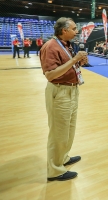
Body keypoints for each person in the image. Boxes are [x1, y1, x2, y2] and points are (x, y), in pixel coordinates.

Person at [39, 17, 88, 182]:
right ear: (64, 30)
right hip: (59, 91)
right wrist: (74, 60)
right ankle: (54, 171)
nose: (77, 31)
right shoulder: (50, 47)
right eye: (74, 29)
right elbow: (50, 75)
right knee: (58, 132)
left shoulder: (67, 45)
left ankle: (63, 158)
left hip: (72, 90)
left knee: (68, 129)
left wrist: (79, 63)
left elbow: (68, 67)